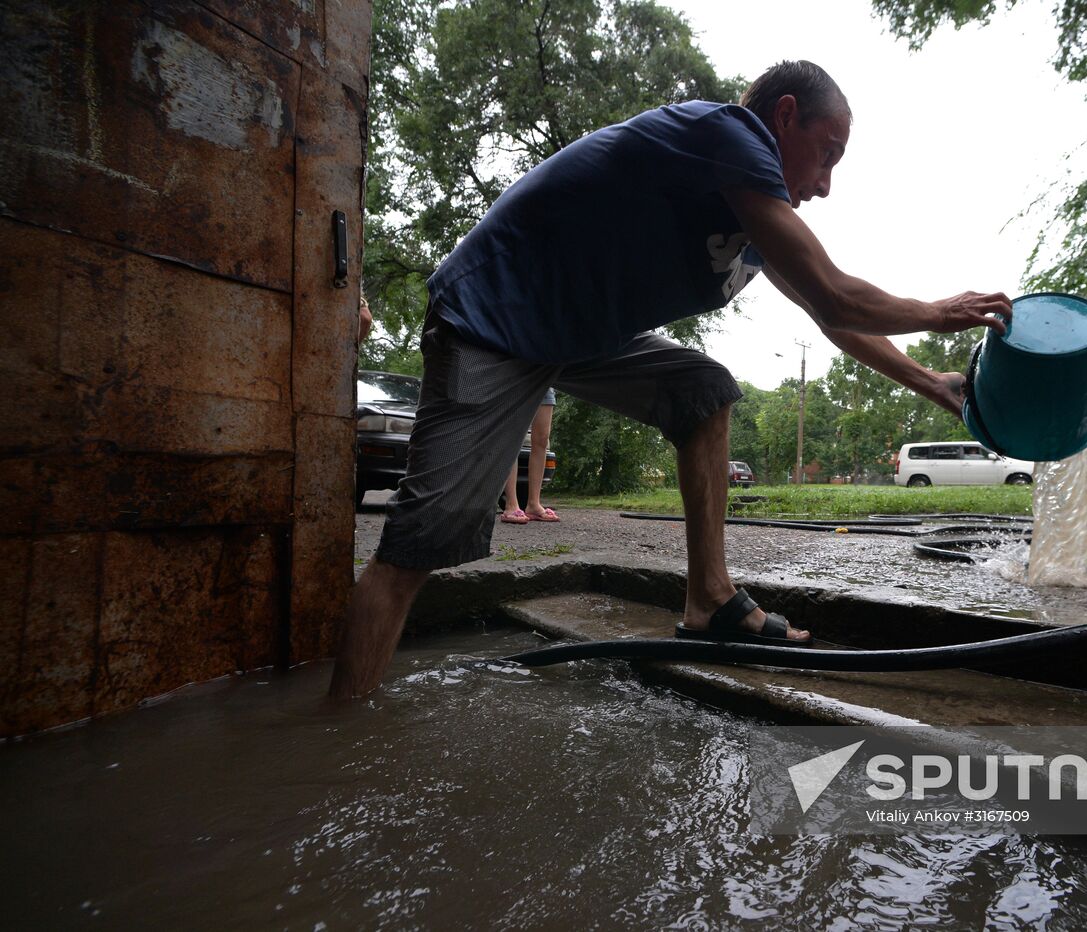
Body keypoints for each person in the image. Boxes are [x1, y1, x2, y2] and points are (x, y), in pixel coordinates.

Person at [330, 60, 1010, 699]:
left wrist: (931, 383)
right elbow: (836, 296)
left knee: (702, 389)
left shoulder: (752, 207)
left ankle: (708, 598)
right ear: (784, 115)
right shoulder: (731, 135)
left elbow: (832, 319)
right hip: (493, 317)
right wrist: (941, 312)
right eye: (827, 152)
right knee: (417, 547)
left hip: (577, 336)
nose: (826, 184)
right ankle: (337, 735)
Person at [500, 389, 559, 524]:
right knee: (513, 440)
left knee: (542, 439)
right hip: (516, 379)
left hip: (545, 379)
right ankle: (511, 505)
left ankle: (534, 504)